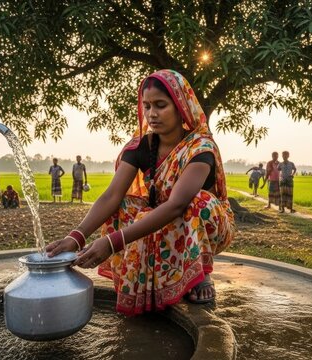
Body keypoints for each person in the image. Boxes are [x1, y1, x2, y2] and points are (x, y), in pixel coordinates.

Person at [45, 69, 235, 315]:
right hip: (162, 217)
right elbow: (111, 196)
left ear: (180, 107)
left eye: (160, 105)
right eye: (146, 106)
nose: (152, 114)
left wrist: (113, 242)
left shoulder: (199, 148)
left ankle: (200, 274)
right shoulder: (140, 146)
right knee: (123, 204)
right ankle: (151, 276)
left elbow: (177, 204)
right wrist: (76, 237)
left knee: (198, 202)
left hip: (202, 223)